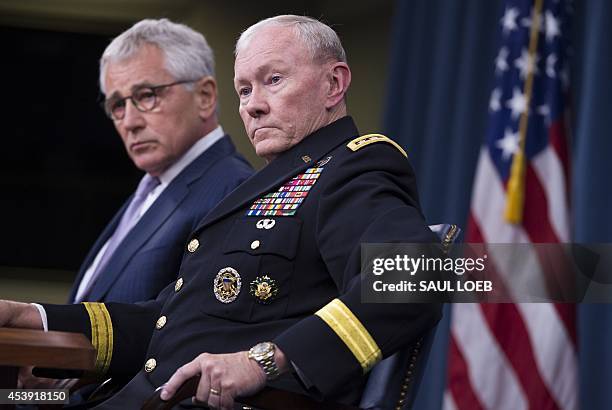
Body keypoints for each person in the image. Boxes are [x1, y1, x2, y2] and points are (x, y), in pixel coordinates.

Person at [0, 15, 440, 409]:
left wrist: (266, 360)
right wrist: (34, 316)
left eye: (274, 80)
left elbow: (423, 275)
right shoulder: (257, 192)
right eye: (244, 89)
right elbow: (168, 321)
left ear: (334, 84)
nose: (252, 104)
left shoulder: (352, 168)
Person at [68, 18, 253, 304]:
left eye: (147, 96)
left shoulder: (232, 190)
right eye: (118, 105)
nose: (129, 122)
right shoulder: (152, 188)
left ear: (204, 96)